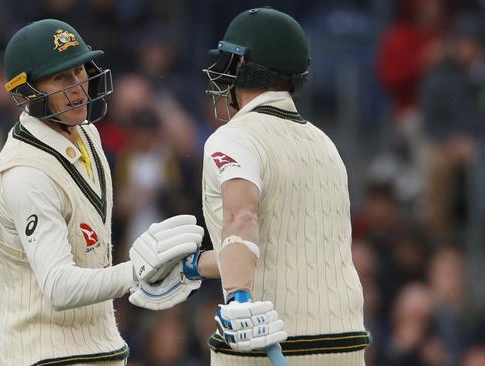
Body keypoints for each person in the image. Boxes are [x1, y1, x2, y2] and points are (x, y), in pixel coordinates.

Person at [132, 7, 370, 365]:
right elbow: (273, 249)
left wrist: (240, 298)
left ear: (242, 68)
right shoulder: (325, 144)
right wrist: (192, 267)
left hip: (267, 346)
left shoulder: (232, 138)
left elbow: (241, 218)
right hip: (346, 345)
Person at [0, 19, 203, 366]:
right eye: (61, 78)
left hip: (100, 351)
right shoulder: (25, 174)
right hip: (44, 357)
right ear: (26, 91)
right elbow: (59, 287)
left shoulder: (88, 136)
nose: (79, 87)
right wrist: (137, 272)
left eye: (80, 70)